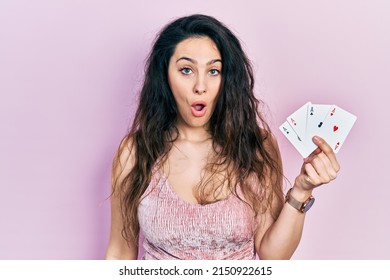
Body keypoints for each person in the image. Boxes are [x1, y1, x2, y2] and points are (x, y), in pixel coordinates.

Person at [105, 14, 340, 260]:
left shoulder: (255, 146)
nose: (201, 86)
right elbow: (120, 253)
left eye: (214, 71)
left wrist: (302, 190)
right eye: (186, 70)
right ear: (165, 76)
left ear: (227, 79)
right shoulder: (135, 151)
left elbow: (274, 256)